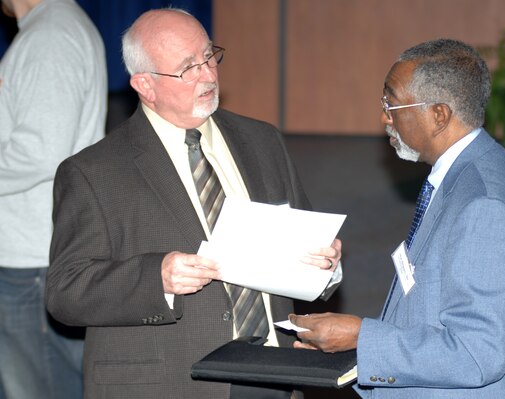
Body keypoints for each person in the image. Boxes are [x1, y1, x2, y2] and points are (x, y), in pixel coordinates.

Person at [45, 8, 341, 399]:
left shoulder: (263, 142)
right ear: (145, 85)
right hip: (171, 381)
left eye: (208, 56)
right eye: (187, 68)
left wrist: (326, 267)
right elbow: (65, 292)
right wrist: (157, 278)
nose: (207, 74)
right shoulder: (93, 172)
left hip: (275, 371)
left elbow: (305, 249)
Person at [289, 38, 505, 398]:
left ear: (439, 114)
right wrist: (357, 353)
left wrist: (363, 339)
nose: (384, 117)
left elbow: (476, 353)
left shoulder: (484, 207)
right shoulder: (477, 166)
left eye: (391, 103)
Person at [0, 0, 107, 398]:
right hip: (38, 253)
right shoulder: (52, 27)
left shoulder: (49, 36)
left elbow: (41, 152)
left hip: (32, 260)